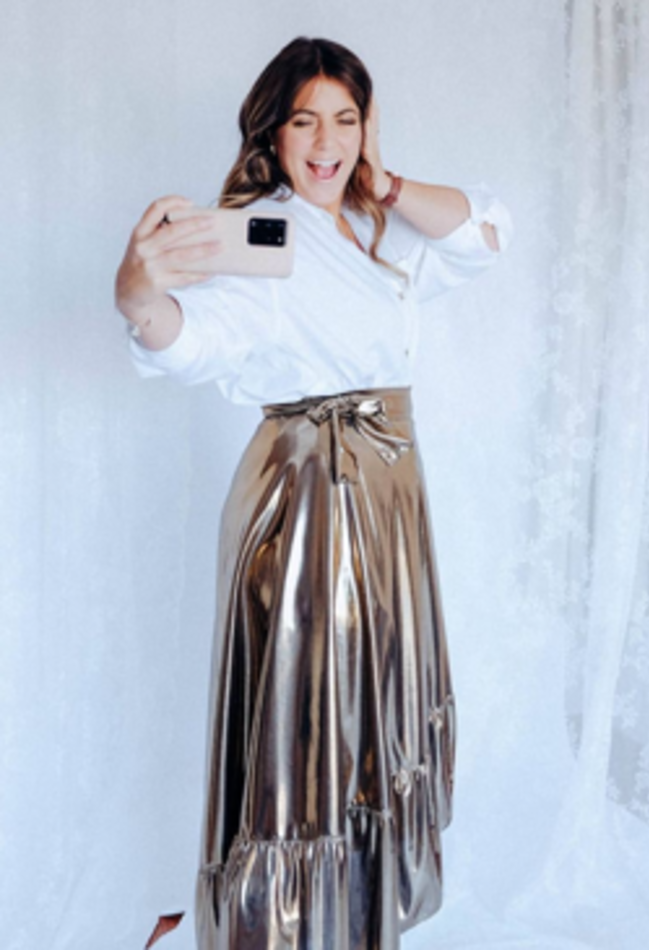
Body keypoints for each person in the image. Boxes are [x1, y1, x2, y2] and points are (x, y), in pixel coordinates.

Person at [116, 36, 512, 950]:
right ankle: (276, 928)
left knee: (365, 718)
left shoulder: (372, 230)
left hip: (385, 498)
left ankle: (351, 921)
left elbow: (485, 234)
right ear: (274, 135)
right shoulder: (268, 232)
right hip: (310, 502)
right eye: (305, 122)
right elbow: (191, 339)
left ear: (368, 128)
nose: (326, 142)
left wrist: (384, 181)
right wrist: (139, 296)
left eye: (345, 119)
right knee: (307, 727)